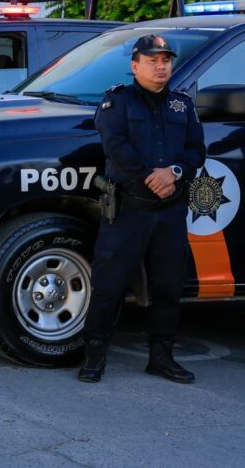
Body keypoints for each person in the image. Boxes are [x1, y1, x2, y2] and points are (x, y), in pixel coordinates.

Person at [78, 34, 206, 385]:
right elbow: (115, 145)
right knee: (109, 285)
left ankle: (162, 358)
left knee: (168, 288)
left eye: (165, 60)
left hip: (170, 211)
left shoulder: (182, 105)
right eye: (152, 60)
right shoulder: (117, 101)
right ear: (135, 66)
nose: (161, 66)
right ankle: (94, 356)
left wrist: (173, 172)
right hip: (128, 210)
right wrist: (151, 177)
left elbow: (196, 150)